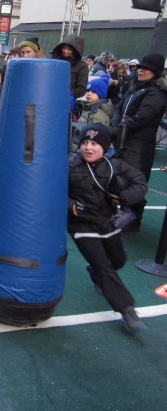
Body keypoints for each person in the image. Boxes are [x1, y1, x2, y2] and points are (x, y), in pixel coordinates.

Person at [68, 123, 148, 333]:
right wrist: (73, 207)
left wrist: (123, 196)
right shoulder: (71, 166)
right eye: (85, 142)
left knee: (118, 260)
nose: (88, 147)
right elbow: (54, 192)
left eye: (94, 143)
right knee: (104, 266)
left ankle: (94, 271)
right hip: (81, 225)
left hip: (108, 221)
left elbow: (140, 182)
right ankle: (127, 311)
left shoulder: (115, 166)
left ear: (104, 146)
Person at [110, 53, 167, 232]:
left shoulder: (156, 94)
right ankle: (122, 215)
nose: (141, 70)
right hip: (124, 142)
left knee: (134, 181)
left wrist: (119, 128)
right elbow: (119, 107)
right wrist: (116, 125)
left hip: (139, 147)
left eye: (146, 68)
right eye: (140, 67)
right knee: (119, 180)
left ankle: (132, 219)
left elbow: (141, 119)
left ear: (155, 72)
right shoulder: (136, 87)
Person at [51, 33, 89, 100]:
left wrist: (66, 94)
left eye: (69, 49)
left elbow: (81, 89)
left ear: (75, 51)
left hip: (67, 101)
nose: (66, 51)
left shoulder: (82, 67)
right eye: (64, 48)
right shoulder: (55, 62)